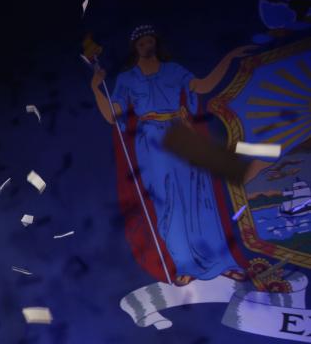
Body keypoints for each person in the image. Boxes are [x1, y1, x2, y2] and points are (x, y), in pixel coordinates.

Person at [90, 26, 252, 284]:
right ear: (136, 48)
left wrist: (229, 58)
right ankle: (185, 264)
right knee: (167, 203)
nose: (146, 46)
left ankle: (222, 262)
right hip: (152, 140)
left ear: (156, 43)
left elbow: (202, 85)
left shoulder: (173, 70)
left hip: (180, 132)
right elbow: (112, 115)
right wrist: (96, 88)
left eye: (150, 41)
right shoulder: (128, 78)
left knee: (201, 199)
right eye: (141, 43)